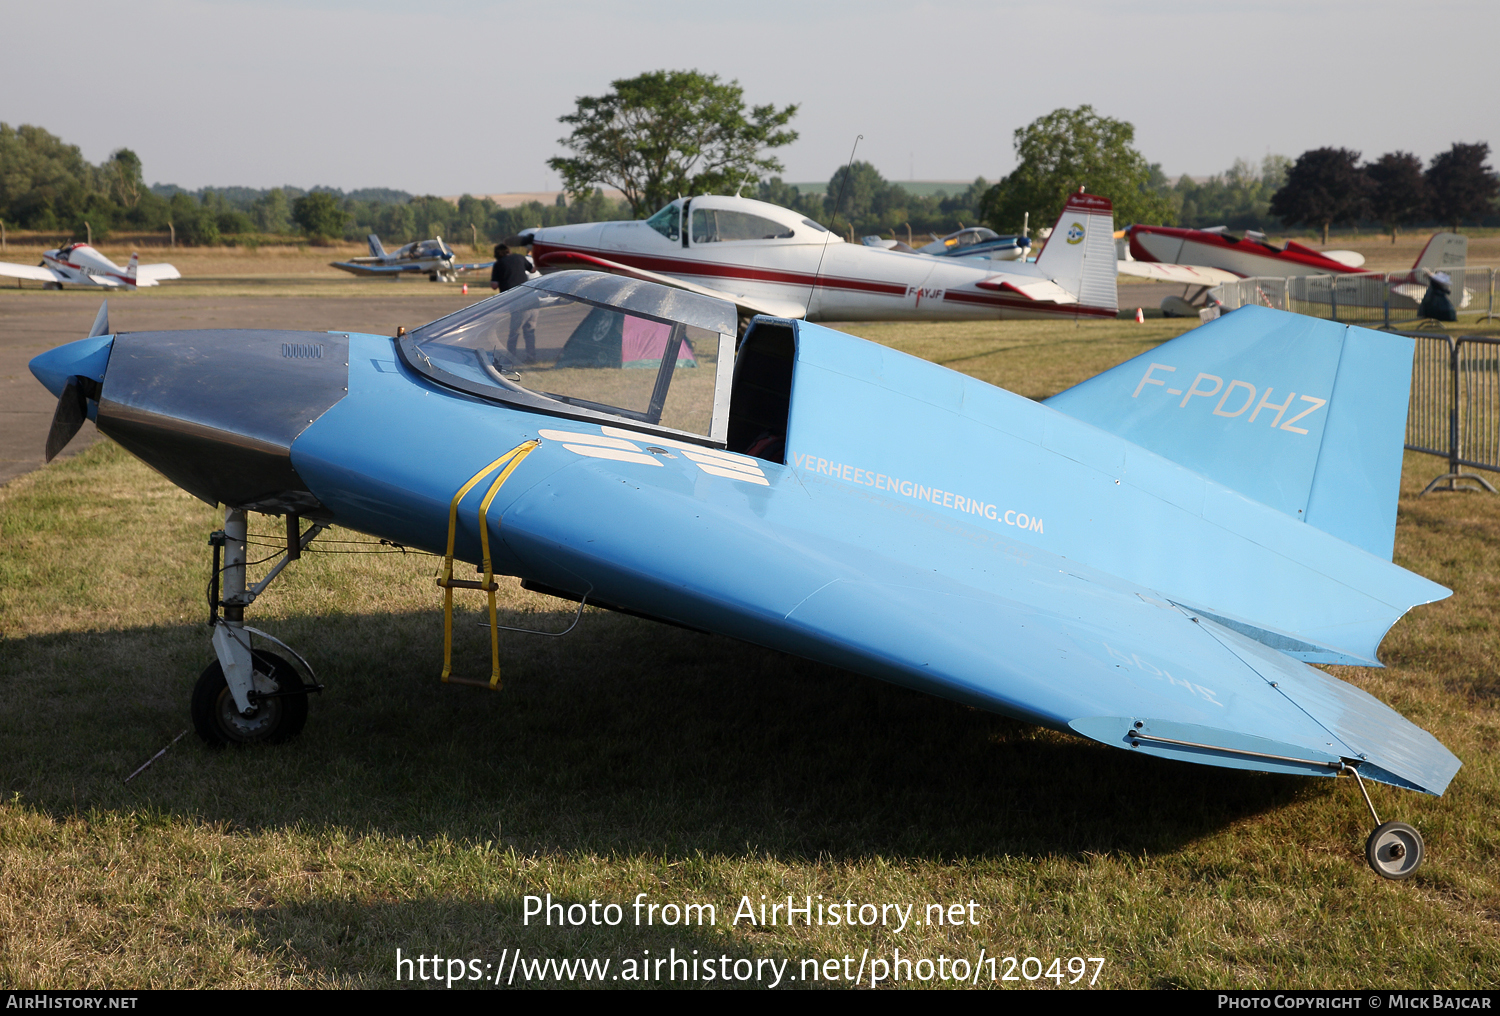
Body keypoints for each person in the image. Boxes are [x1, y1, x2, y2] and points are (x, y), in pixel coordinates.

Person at [490, 240, 539, 361]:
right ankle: (531, 356)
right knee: (530, 330)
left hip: (518, 302)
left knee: (514, 332)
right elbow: (532, 270)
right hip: (533, 299)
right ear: (508, 251)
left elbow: (494, 285)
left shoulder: (499, 264)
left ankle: (510, 357)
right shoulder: (519, 257)